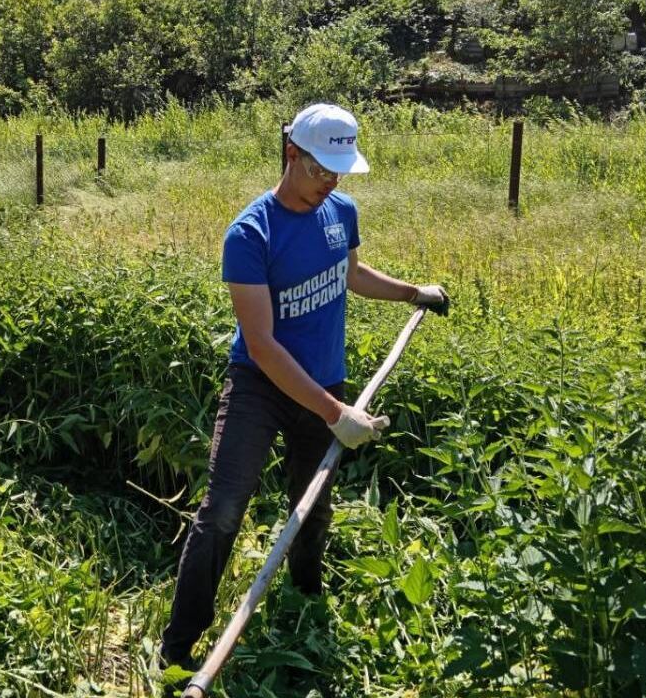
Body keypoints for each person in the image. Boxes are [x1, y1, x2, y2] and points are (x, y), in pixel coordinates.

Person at [159, 103, 449, 669]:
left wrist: (415, 292)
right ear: (292, 154)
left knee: (312, 507)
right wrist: (335, 411)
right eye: (322, 170)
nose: (331, 183)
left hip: (324, 381)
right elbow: (263, 345)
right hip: (260, 388)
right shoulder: (250, 234)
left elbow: (351, 272)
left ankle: (304, 606)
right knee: (222, 510)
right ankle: (177, 646)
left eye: (340, 171)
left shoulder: (341, 209)